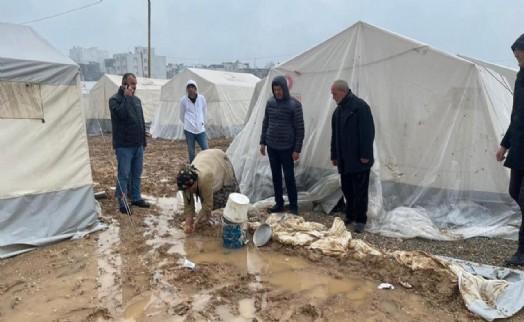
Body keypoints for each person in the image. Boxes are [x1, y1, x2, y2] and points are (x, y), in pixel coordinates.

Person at [330, 79, 375, 233]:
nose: (333, 97)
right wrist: (334, 155)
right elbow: (334, 136)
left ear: (343, 91)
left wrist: (365, 155)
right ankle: (350, 214)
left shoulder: (360, 107)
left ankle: (361, 219)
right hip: (344, 159)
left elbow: (367, 133)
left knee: (360, 191)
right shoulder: (338, 111)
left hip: (359, 159)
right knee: (347, 189)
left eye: (335, 94)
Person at [496, 34, 524, 265]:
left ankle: (522, 252)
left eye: (518, 52)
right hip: (520, 148)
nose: (516, 56)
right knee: (515, 192)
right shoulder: (520, 78)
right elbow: (517, 117)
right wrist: (505, 144)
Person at [259, 75, 305, 215]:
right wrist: (262, 142)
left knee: (289, 177)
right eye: (275, 89)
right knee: (276, 176)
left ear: (285, 88)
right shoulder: (270, 102)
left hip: (287, 148)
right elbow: (266, 122)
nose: (277, 92)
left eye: (279, 89)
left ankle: (293, 206)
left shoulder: (294, 105)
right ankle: (279, 203)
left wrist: (297, 149)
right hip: (272, 146)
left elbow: (300, 128)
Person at [109, 73, 150, 214]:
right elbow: (121, 115)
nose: (134, 87)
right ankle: (123, 202)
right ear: (124, 84)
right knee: (124, 175)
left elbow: (141, 121)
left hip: (138, 143)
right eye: (132, 84)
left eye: (135, 84)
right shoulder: (115, 100)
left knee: (136, 173)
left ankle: (136, 198)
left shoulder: (137, 101)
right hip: (124, 145)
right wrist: (126, 98)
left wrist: (143, 140)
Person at [177, 149, 240, 234]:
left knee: (227, 199)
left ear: (195, 182)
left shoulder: (204, 178)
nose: (188, 191)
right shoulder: (185, 182)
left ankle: (235, 219)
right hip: (205, 159)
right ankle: (212, 219)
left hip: (220, 161)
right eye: (186, 190)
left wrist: (196, 221)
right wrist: (188, 222)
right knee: (208, 206)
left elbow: (208, 204)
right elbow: (188, 205)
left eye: (190, 188)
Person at [180, 79, 208, 163]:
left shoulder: (201, 99)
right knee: (191, 152)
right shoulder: (183, 100)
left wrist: (201, 122)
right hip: (189, 130)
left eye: (192, 87)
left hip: (200, 129)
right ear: (186, 89)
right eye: (189, 87)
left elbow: (204, 111)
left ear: (195, 88)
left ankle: (206, 165)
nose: (190, 89)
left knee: (206, 149)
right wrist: (188, 123)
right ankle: (193, 168)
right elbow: (181, 115)